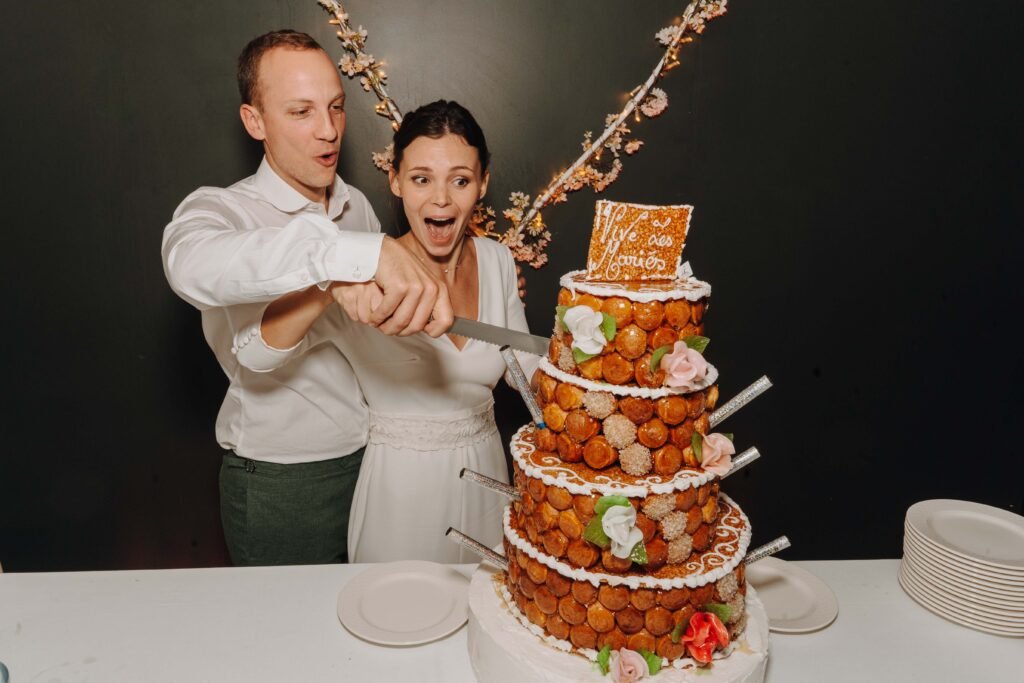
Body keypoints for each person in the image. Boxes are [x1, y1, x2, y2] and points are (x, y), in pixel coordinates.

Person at [161, 30, 453, 566]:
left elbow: (364, 334)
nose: (328, 131)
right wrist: (338, 267)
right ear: (255, 122)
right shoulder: (222, 211)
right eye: (301, 112)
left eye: (336, 108)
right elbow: (191, 265)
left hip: (371, 458)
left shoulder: (356, 205)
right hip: (282, 480)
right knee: (289, 641)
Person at [234, 100, 538, 563]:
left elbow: (525, 368)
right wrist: (329, 286)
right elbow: (253, 355)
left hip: (487, 477)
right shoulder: (361, 274)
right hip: (401, 495)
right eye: (421, 179)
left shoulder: (497, 260)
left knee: (485, 612)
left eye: (460, 180)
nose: (441, 199)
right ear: (395, 180)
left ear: (483, 184)